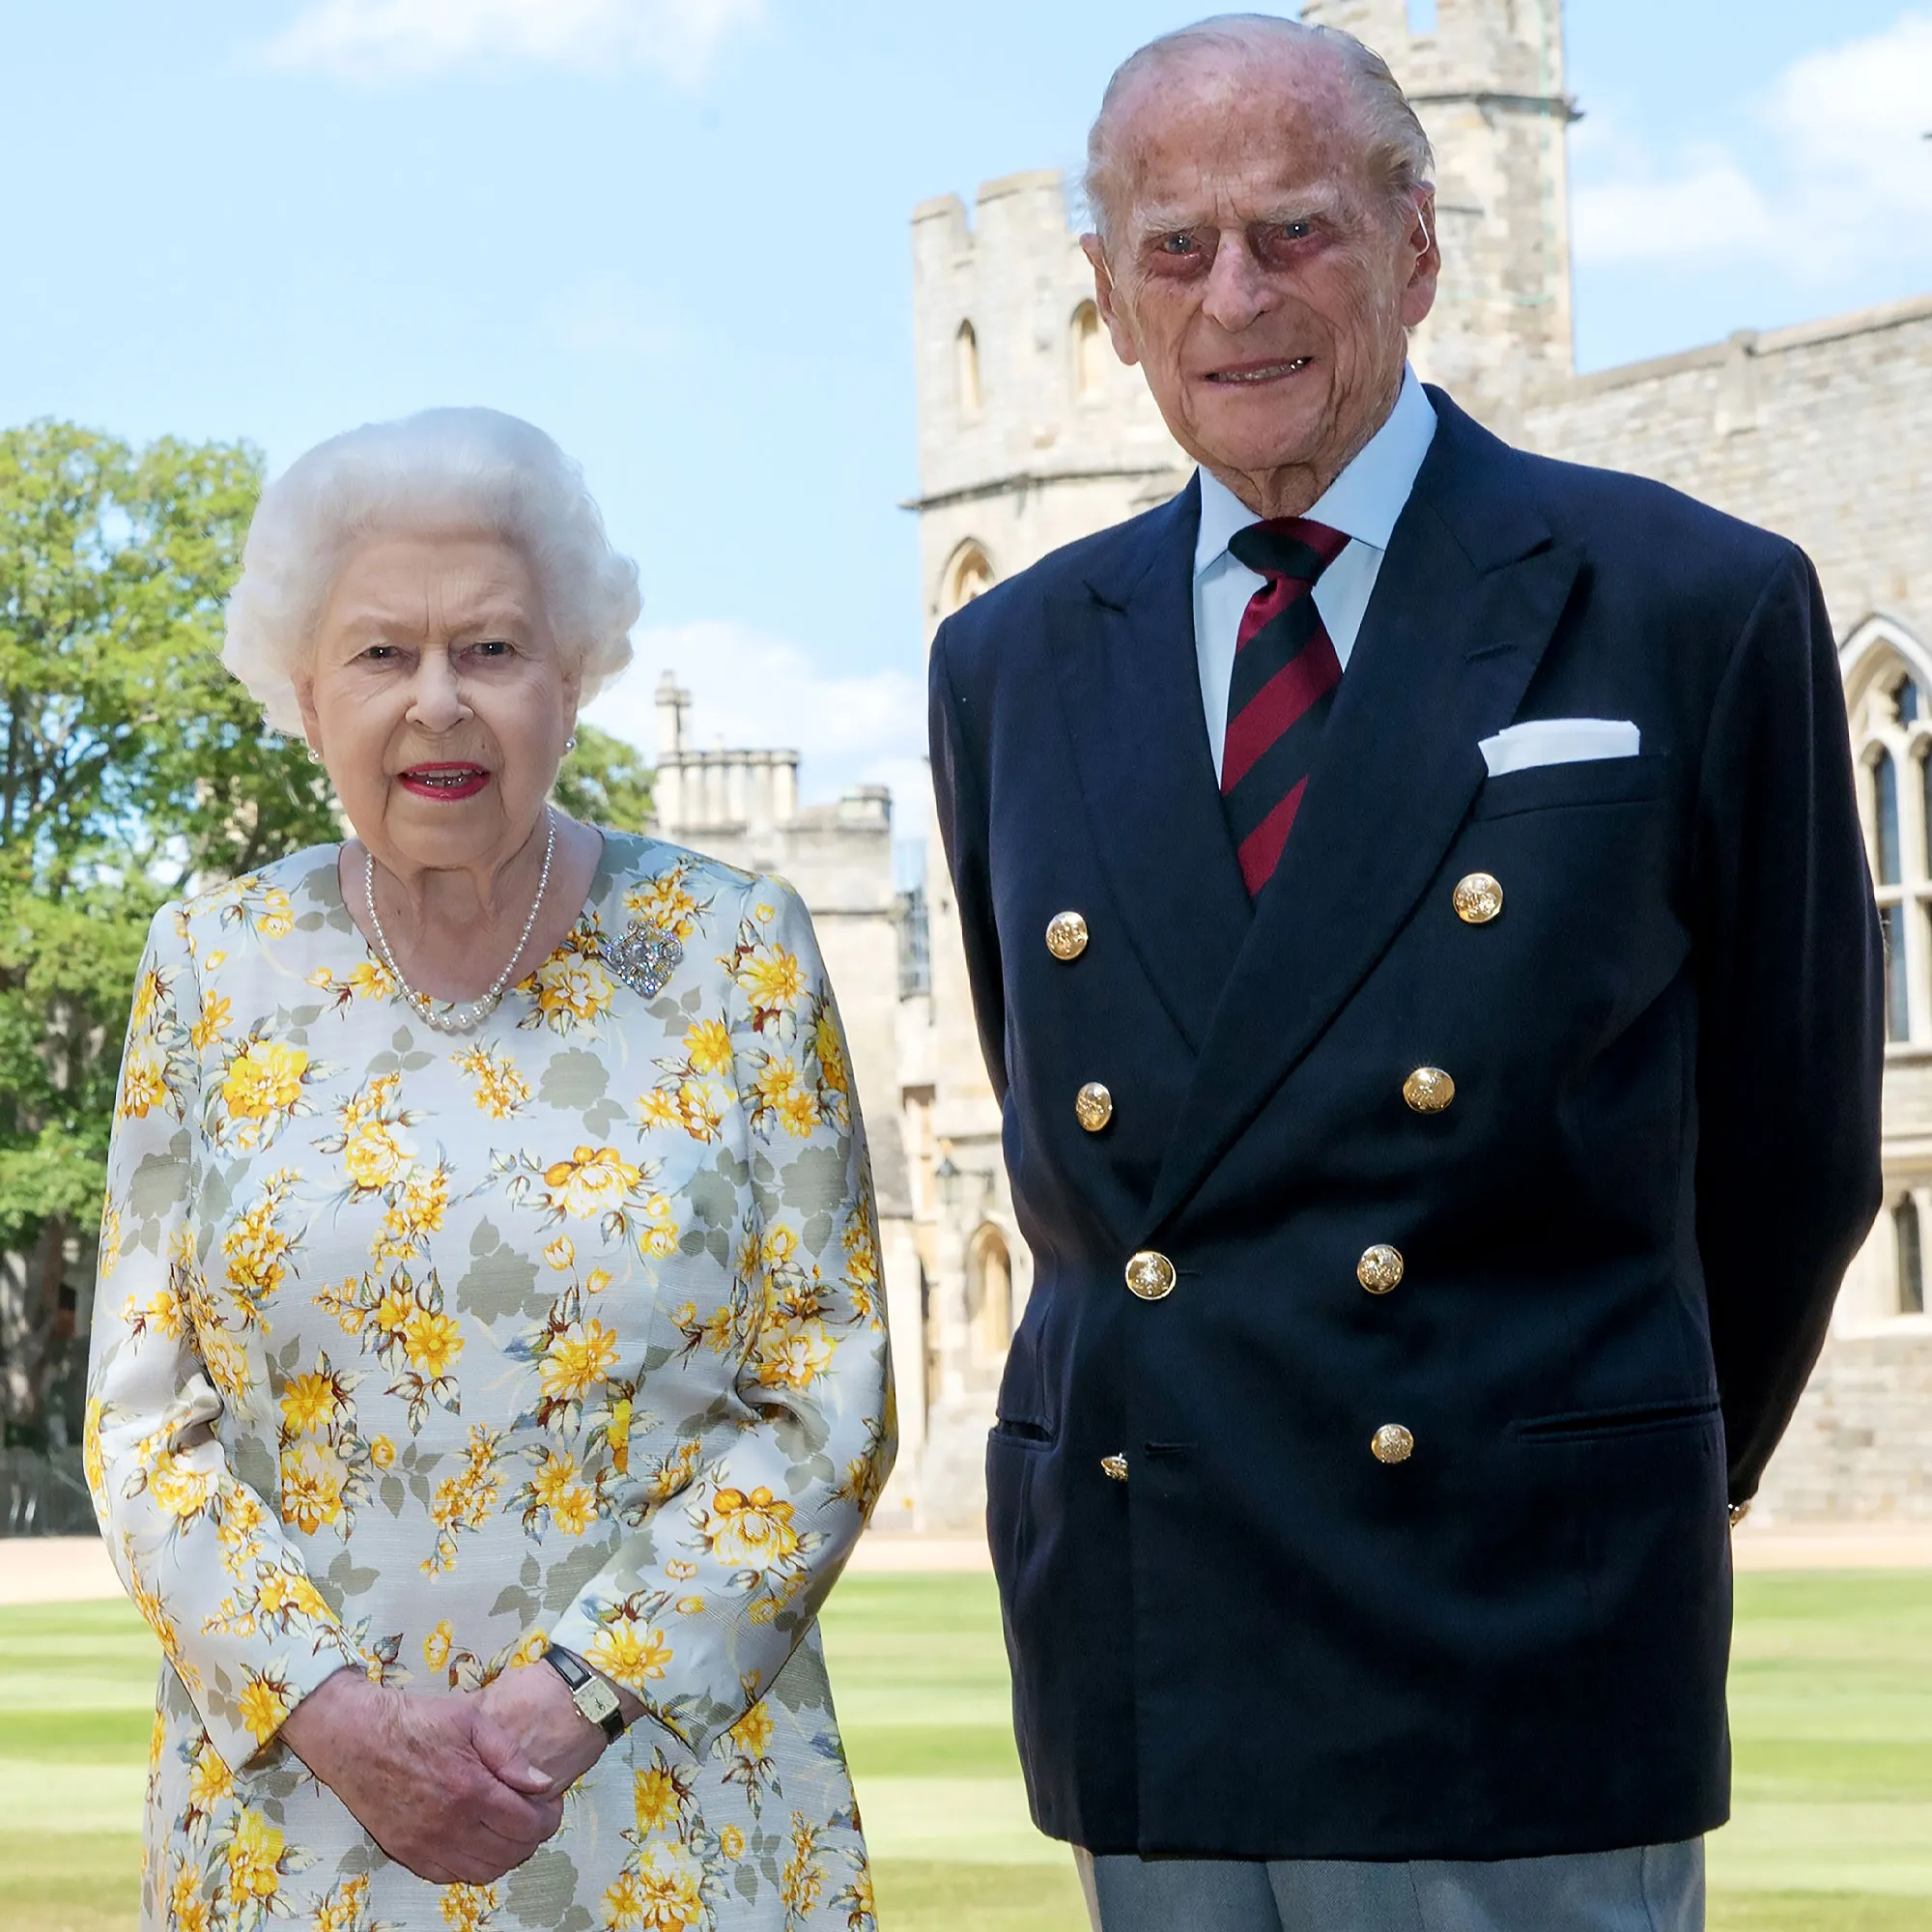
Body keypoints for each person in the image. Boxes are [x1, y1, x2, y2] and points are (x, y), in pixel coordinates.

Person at [927, 16, 1883, 1931]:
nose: (1236, 299)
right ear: (1101, 301)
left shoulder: (1691, 602)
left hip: (1513, 1618)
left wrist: (1604, 1464)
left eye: (1294, 233)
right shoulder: (1013, 654)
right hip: (1158, 1625)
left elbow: (1795, 1147)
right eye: (1174, 251)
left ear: (1419, 251)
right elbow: (1068, 1137)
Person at [86, 407, 895, 1932]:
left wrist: (575, 1695)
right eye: (383, 655)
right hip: (294, 1827)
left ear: (575, 676)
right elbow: (142, 1422)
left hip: (673, 1817)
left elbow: (831, 1395)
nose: (438, 704)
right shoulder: (209, 963)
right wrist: (331, 1713)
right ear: (302, 691)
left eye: (494, 650)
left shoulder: (735, 951)